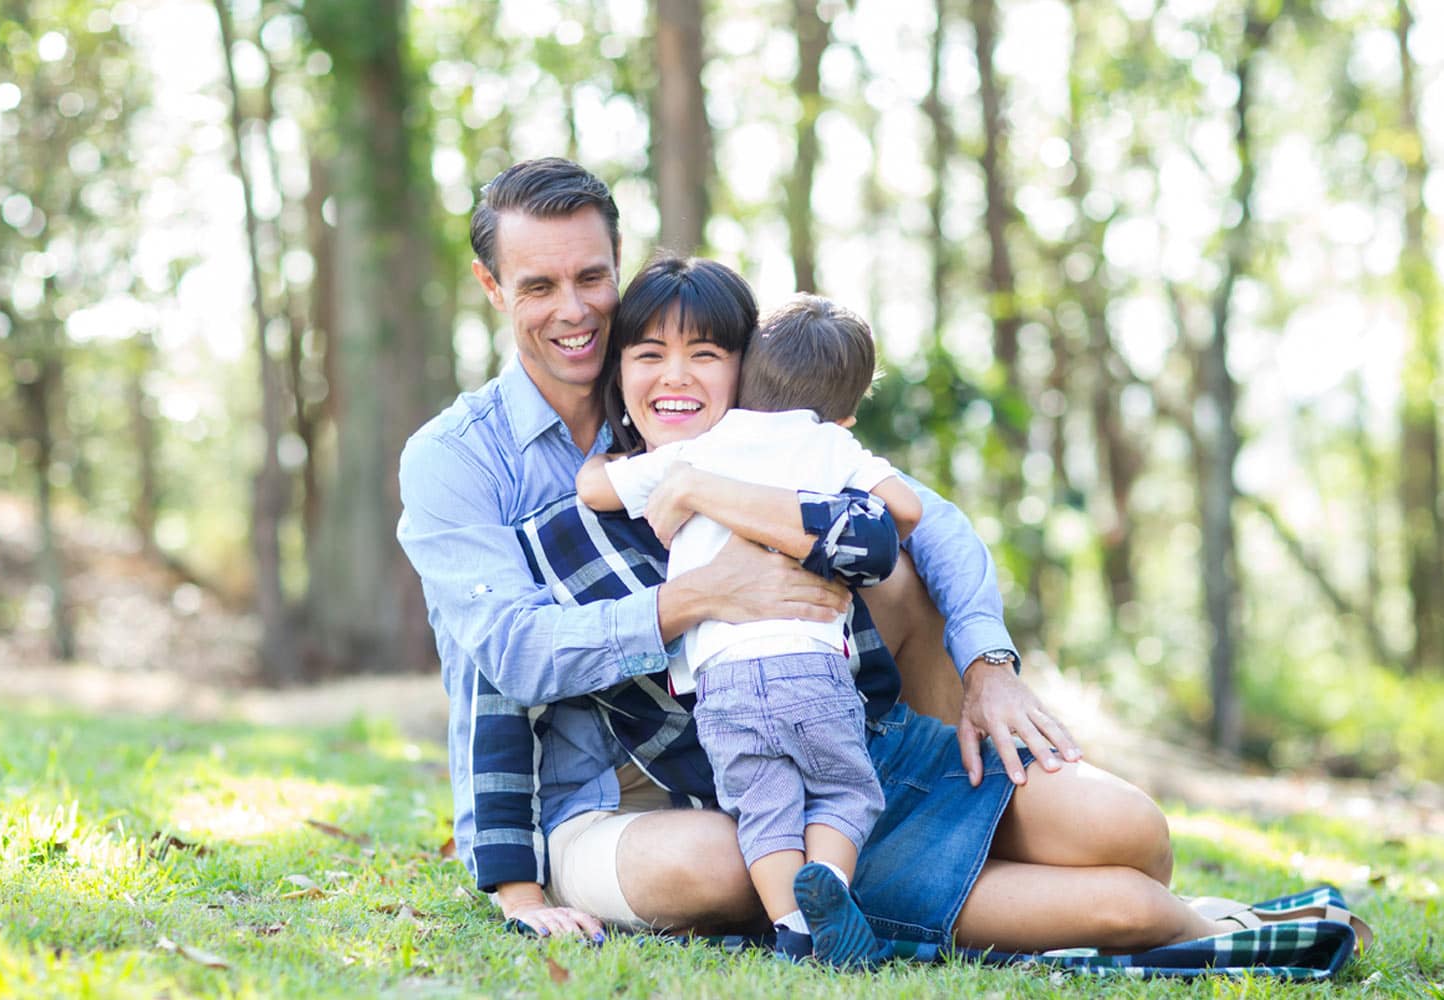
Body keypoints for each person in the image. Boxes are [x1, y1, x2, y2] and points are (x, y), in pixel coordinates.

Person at [399, 158, 1269, 964]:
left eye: (592, 278)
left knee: (1135, 839)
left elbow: (928, 524)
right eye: (539, 285)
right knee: (732, 861)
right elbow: (503, 666)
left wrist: (989, 665)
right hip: (618, 784)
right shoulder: (467, 464)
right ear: (491, 286)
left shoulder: (725, 399)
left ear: (619, 268)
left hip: (821, 725)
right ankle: (843, 899)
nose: (575, 309)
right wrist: (699, 598)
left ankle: (936, 806)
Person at [575, 264, 923, 961]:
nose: (678, 376)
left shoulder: (700, 446)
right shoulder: (829, 443)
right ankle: (828, 885)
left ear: (746, 370)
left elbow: (595, 488)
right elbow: (906, 512)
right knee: (846, 795)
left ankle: (793, 930)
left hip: (723, 684)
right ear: (846, 412)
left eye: (704, 355)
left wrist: (627, 466)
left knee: (763, 810)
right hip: (814, 672)